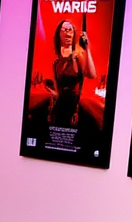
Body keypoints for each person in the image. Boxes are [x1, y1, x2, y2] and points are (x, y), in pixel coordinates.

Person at [26, 17, 102, 152]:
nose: (67, 33)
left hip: (75, 104)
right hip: (61, 103)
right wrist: (52, 98)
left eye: (70, 30)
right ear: (58, 34)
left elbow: (91, 74)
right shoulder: (56, 63)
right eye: (64, 30)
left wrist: (87, 48)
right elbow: (58, 90)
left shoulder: (78, 56)